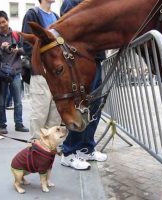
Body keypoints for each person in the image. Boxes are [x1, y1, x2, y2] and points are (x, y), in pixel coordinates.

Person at [60, 0, 107, 170]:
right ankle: (69, 152)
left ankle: (86, 148)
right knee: (81, 107)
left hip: (95, 59)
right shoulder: (71, 2)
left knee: (95, 107)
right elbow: (70, 30)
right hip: (81, 61)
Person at [22, 0, 62, 139]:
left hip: (56, 75)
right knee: (39, 115)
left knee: (55, 117)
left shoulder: (56, 17)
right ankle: (35, 152)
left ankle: (48, 155)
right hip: (41, 74)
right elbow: (27, 44)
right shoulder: (32, 14)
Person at [0, 10, 29, 134]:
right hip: (1, 73)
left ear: (7, 20)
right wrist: (0, 48)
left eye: (3, 22)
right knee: (2, 102)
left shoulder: (16, 35)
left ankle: (18, 124)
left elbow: (26, 50)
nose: (2, 25)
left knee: (18, 101)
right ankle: (2, 125)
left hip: (15, 72)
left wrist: (18, 50)